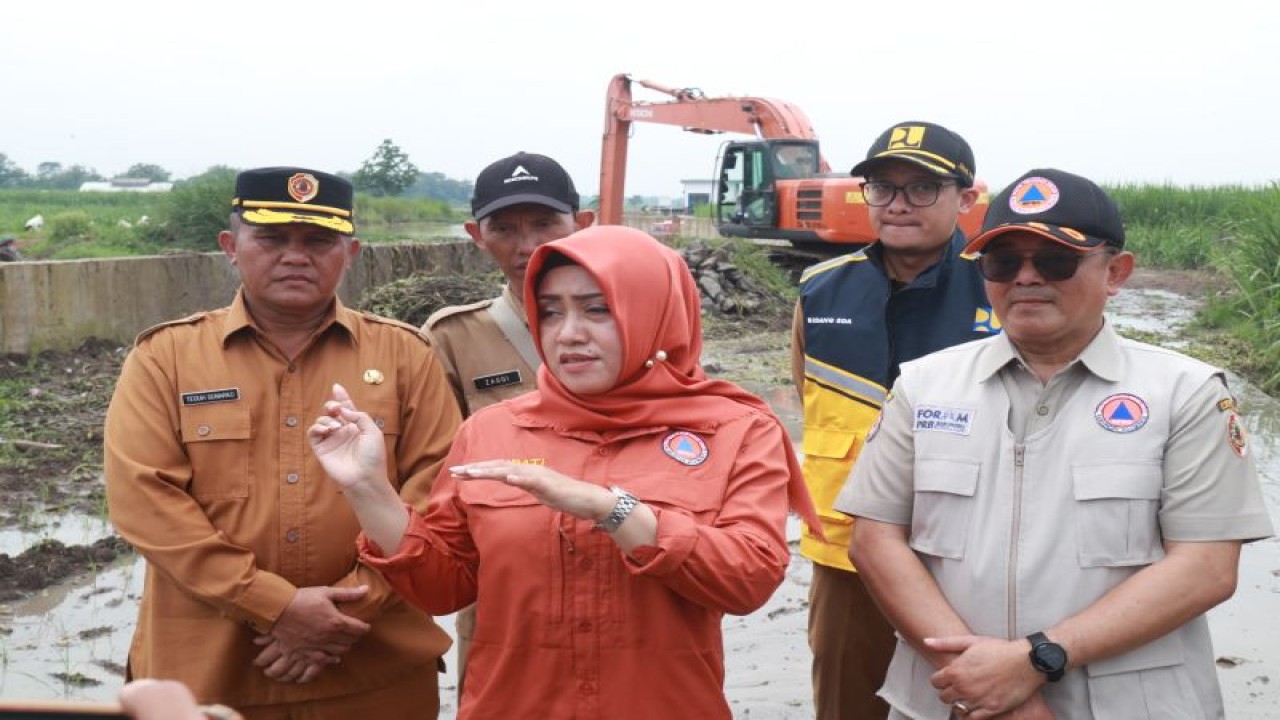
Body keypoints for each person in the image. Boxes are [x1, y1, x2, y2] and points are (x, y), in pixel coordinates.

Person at [307, 225, 821, 718]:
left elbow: (747, 582)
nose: (569, 333)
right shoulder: (493, 429)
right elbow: (444, 587)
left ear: (655, 314)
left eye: (598, 310)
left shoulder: (735, 429)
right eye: (550, 313)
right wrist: (369, 489)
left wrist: (614, 510)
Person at [839, 168, 1274, 719]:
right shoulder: (923, 385)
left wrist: (1036, 659)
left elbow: (1206, 567)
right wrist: (982, 683)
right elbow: (875, 540)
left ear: (1116, 272)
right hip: (951, 700)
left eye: (1054, 261)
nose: (1025, 278)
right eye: (1002, 262)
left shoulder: (1185, 394)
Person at [104, 167, 462, 719]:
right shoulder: (165, 358)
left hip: (375, 668)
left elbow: (436, 491)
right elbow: (145, 502)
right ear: (231, 246)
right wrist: (275, 606)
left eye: (319, 240)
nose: (296, 255)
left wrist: (350, 608)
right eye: (271, 238)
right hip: (207, 675)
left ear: (351, 251)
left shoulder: (405, 356)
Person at [791, 121, 995, 719]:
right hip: (846, 555)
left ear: (967, 199)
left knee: (972, 700)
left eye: (923, 188)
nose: (899, 204)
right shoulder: (820, 290)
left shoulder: (1000, 286)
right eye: (883, 187)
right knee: (845, 702)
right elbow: (807, 394)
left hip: (965, 556)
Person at [421, 150, 594, 693]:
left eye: (545, 223)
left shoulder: (641, 320)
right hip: (505, 587)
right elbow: (437, 476)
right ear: (476, 233)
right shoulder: (453, 337)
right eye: (505, 228)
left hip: (621, 559)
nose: (527, 246)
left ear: (582, 224)